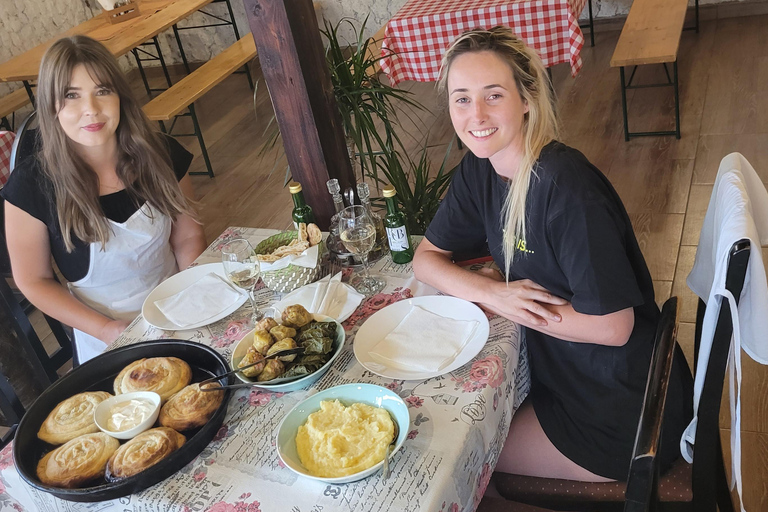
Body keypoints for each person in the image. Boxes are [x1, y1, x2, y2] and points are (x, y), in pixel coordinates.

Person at [413, 26, 692, 483]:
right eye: (461, 98)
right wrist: (494, 294)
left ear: (526, 100)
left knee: (454, 461)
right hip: (564, 375)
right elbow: (426, 258)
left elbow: (614, 327)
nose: (475, 114)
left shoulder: (567, 189)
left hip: (621, 407)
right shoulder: (480, 170)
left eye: (493, 95)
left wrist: (512, 307)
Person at [2, 36, 206, 363]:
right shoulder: (31, 187)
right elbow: (33, 280)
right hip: (105, 339)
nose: (91, 110)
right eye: (71, 96)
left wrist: (189, 288)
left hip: (179, 311)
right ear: (51, 106)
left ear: (120, 97)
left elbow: (188, 234)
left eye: (102, 91)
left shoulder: (161, 153)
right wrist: (109, 329)